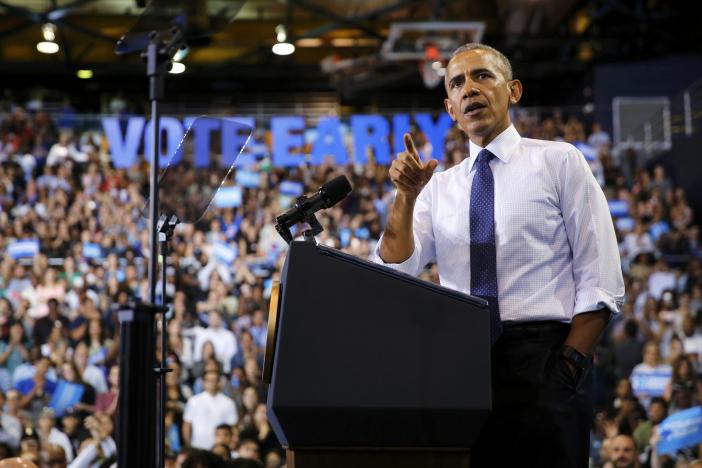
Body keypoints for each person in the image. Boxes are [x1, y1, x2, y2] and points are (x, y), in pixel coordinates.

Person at [373, 42, 624, 467]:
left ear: (514, 91)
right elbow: (395, 267)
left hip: (546, 359)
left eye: (482, 76)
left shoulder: (559, 161)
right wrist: (405, 196)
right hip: (461, 367)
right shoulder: (437, 188)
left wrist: (568, 366)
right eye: (457, 83)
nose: (469, 88)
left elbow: (600, 276)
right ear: (450, 108)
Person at [182, 370, 238, 450]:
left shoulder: (228, 402)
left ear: (219, 382)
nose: (212, 383)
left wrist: (232, 445)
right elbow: (187, 426)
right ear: (203, 383)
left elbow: (233, 427)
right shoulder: (193, 401)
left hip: (220, 448)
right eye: (209, 380)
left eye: (215, 380)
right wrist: (188, 445)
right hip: (197, 447)